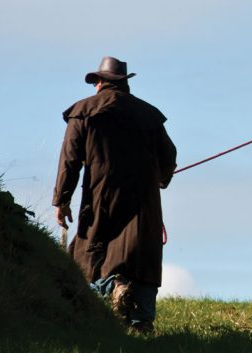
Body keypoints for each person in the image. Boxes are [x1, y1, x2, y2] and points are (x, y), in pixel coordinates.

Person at [52, 56, 177, 333]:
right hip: (145, 201)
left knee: (88, 257)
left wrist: (61, 200)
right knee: (142, 258)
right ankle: (142, 323)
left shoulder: (83, 111)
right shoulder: (149, 115)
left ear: (99, 83)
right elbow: (169, 156)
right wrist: (162, 178)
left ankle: (113, 288)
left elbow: (70, 161)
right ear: (124, 84)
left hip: (101, 198)